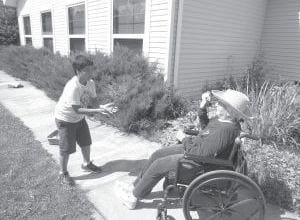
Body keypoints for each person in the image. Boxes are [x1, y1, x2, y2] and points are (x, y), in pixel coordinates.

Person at [114, 89, 253, 209]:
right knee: (157, 154)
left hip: (200, 164)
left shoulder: (227, 131)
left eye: (221, 103)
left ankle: (132, 198)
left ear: (230, 111)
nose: (216, 104)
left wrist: (184, 138)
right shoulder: (223, 121)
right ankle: (138, 187)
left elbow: (199, 154)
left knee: (159, 164)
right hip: (196, 152)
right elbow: (207, 130)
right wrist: (202, 108)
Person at [55, 54, 117, 186]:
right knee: (66, 148)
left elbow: (94, 102)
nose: (90, 73)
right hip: (65, 119)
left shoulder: (90, 83)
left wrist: (102, 107)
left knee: (85, 142)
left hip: (79, 119)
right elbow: (77, 109)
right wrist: (98, 111)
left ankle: (86, 164)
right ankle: (63, 173)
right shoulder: (73, 87)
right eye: (87, 70)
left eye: (91, 69)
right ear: (78, 71)